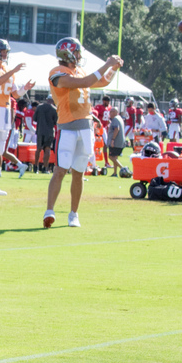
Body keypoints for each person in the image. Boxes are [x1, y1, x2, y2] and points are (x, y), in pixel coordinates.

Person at [42, 38, 123, 229]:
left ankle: (73, 213)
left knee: (79, 172)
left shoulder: (80, 71)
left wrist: (114, 68)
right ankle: (49, 210)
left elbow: (101, 81)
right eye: (76, 52)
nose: (79, 56)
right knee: (60, 170)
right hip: (67, 127)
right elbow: (86, 81)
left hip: (85, 127)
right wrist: (107, 64)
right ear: (67, 54)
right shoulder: (57, 73)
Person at [0, 39, 34, 197]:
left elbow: (14, 94)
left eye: (6, 51)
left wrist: (25, 89)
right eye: (3, 51)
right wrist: (13, 71)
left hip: (6, 110)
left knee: (0, 150)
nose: (5, 54)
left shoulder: (7, 70)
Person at [34, 96, 59, 174]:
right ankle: (45, 167)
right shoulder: (54, 109)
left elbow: (34, 118)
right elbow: (56, 122)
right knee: (47, 149)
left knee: (38, 149)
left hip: (40, 130)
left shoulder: (39, 107)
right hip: (49, 131)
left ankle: (36, 167)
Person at [105, 107, 126, 177]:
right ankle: (115, 173)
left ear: (115, 112)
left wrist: (113, 140)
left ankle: (123, 169)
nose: (110, 114)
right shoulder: (120, 118)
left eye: (112, 112)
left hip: (116, 142)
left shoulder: (115, 119)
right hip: (120, 142)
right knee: (115, 157)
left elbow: (116, 129)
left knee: (111, 157)